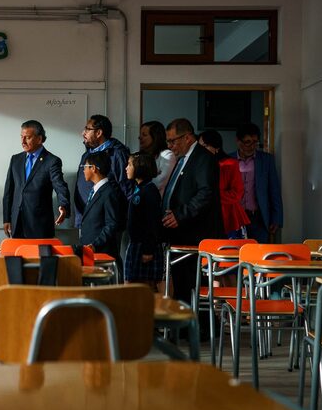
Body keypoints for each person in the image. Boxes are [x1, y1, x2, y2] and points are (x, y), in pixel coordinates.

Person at [161, 118, 223, 303]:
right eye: (168, 141)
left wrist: (180, 215)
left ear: (187, 137)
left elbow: (206, 193)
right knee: (181, 286)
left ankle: (198, 330)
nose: (170, 146)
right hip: (181, 235)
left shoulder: (203, 158)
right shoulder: (184, 159)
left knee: (193, 287)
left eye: (173, 141)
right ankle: (184, 329)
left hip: (195, 235)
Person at [2, 119, 70, 238]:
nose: (22, 141)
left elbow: (60, 186)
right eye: (21, 137)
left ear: (39, 139)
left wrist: (63, 205)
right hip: (17, 223)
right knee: (17, 256)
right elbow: (9, 191)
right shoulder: (15, 160)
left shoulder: (52, 161)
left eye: (27, 137)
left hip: (39, 225)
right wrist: (6, 218)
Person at [74, 114, 132, 228]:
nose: (83, 133)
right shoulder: (86, 155)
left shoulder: (117, 154)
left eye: (87, 129)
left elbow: (126, 188)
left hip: (105, 223)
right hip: (86, 220)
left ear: (99, 133)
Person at [230, 122, 283, 243]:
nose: (252, 146)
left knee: (258, 253)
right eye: (248, 142)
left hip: (257, 217)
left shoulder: (266, 160)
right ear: (238, 141)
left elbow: (274, 190)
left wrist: (276, 218)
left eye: (255, 142)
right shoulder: (227, 160)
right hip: (235, 217)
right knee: (234, 254)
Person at [124, 152, 164, 292]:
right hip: (136, 244)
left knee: (144, 286)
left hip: (144, 246)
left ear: (140, 167)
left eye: (129, 165)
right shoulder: (139, 189)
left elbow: (152, 223)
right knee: (131, 282)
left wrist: (148, 250)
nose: (126, 168)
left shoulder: (149, 191)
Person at [199, 129, 250, 238]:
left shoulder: (230, 164)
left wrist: (212, 196)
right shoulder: (199, 165)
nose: (201, 150)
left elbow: (237, 193)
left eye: (205, 146)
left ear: (216, 148)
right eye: (200, 147)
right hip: (205, 217)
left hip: (228, 216)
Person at [78, 151, 126, 260]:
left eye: (85, 166)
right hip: (90, 251)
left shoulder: (109, 192)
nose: (83, 170)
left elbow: (111, 224)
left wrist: (95, 244)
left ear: (93, 168)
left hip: (101, 252)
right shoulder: (95, 190)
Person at [139, 120, 176, 196]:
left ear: (155, 137)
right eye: (140, 134)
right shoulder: (141, 155)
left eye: (144, 135)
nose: (139, 137)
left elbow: (159, 182)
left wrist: (141, 179)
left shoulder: (167, 155)